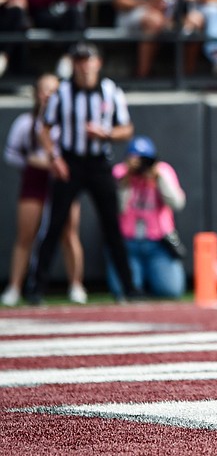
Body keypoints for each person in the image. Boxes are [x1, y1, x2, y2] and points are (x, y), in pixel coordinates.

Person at [25, 42, 138, 304]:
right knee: (54, 226)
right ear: (74, 64)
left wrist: (106, 133)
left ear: (98, 63)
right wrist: (55, 158)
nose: (84, 66)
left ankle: (128, 288)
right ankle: (36, 289)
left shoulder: (111, 91)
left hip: (99, 163)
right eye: (80, 60)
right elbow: (44, 128)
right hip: (71, 163)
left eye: (89, 60)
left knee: (112, 226)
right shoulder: (62, 93)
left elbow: (127, 129)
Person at [2, 73, 85, 307]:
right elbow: (12, 153)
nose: (48, 95)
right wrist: (39, 162)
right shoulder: (26, 123)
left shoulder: (68, 121)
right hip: (36, 179)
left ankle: (76, 284)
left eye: (53, 90)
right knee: (25, 235)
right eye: (44, 90)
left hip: (63, 180)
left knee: (69, 232)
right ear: (36, 94)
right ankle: (15, 286)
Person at [109, 135, 186, 299]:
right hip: (127, 244)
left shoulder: (163, 171)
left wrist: (158, 179)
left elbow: (177, 203)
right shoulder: (120, 173)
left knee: (171, 291)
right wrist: (127, 180)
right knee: (123, 290)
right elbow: (117, 209)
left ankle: (152, 279)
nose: (141, 165)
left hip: (158, 243)